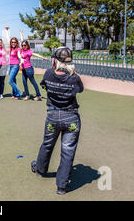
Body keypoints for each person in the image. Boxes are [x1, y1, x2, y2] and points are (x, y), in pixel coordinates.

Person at [30, 47, 84, 195]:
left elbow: (44, 85)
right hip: (71, 116)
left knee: (47, 143)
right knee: (68, 151)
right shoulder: (75, 78)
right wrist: (73, 76)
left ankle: (40, 170)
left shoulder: (48, 74)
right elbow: (80, 90)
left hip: (53, 115)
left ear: (55, 60)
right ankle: (62, 186)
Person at [19, 30, 48, 101]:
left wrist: (43, 58)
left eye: (25, 45)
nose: (23, 46)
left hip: (29, 69)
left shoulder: (29, 51)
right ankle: (27, 95)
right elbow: (22, 40)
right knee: (24, 83)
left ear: (27, 45)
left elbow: (36, 55)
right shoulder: (22, 51)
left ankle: (38, 96)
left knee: (33, 82)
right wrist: (21, 34)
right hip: (24, 70)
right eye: (22, 45)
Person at [5, 28, 22, 100]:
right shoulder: (11, 48)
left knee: (10, 80)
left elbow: (19, 55)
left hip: (15, 65)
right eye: (12, 42)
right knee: (13, 80)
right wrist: (7, 31)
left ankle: (18, 93)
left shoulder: (18, 49)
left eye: (14, 42)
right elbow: (8, 38)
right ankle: (14, 94)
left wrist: (21, 34)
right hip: (10, 66)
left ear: (16, 43)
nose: (13, 43)